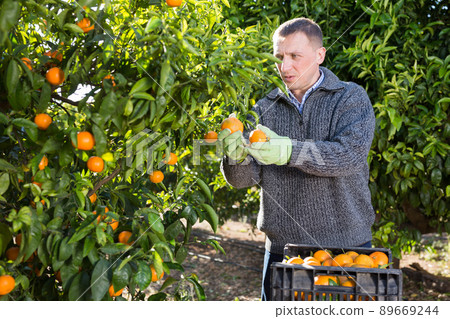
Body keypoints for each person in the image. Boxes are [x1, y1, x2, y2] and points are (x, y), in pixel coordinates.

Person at [218, 17, 376, 301]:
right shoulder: (264, 108)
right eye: (279, 57)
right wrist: (235, 155)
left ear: (320, 55)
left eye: (294, 56)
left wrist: (290, 150)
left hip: (350, 249)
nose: (285, 67)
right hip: (284, 251)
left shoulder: (349, 98)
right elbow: (244, 180)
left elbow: (349, 156)